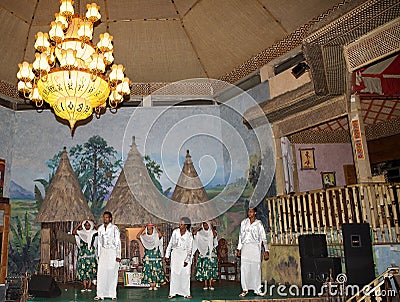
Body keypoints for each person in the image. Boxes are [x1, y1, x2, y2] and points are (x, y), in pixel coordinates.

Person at [237, 207, 269, 297]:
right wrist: (239, 248)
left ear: (255, 213)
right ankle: (245, 289)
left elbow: (263, 238)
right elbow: (240, 236)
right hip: (245, 247)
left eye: (251, 211)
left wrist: (266, 250)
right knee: (244, 268)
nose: (249, 213)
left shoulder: (259, 224)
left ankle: (257, 289)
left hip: (255, 247)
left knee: (256, 268)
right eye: (248, 211)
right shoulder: (244, 223)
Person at [94, 212, 121, 301]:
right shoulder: (100, 228)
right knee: (101, 273)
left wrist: (118, 255)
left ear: (110, 219)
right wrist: (98, 254)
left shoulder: (114, 228)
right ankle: (100, 294)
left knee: (112, 272)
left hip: (112, 252)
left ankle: (112, 294)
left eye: (107, 217)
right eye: (104, 217)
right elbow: (99, 243)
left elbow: (118, 242)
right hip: (103, 252)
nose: (105, 219)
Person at [165, 217, 193, 299]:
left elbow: (190, 249)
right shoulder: (175, 232)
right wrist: (167, 255)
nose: (179, 225)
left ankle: (186, 293)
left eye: (182, 224)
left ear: (186, 225)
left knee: (185, 274)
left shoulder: (189, 235)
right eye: (180, 223)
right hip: (175, 254)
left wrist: (187, 260)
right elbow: (170, 244)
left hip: (184, 255)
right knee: (174, 273)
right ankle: (172, 292)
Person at [136, 222, 166, 291]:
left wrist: (156, 228)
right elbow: (138, 236)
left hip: (155, 254)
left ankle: (155, 285)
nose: (149, 230)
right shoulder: (145, 236)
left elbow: (160, 235)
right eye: (147, 229)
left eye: (150, 228)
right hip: (148, 254)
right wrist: (142, 229)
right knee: (148, 269)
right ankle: (151, 284)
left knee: (155, 269)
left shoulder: (156, 235)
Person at [73, 219, 98, 292]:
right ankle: (84, 286)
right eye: (85, 225)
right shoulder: (81, 233)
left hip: (91, 255)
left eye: (89, 225)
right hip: (83, 255)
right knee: (83, 270)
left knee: (90, 270)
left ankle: (89, 286)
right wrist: (79, 225)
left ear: (91, 225)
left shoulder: (94, 232)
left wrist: (94, 224)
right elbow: (74, 232)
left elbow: (100, 231)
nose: (87, 226)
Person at [192, 221, 218, 290]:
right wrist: (199, 227)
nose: (206, 226)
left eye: (207, 225)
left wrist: (212, 228)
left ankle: (211, 284)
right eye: (204, 225)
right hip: (204, 252)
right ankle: (205, 284)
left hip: (211, 252)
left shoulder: (211, 232)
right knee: (204, 268)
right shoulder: (200, 233)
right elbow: (194, 233)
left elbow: (215, 235)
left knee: (211, 268)